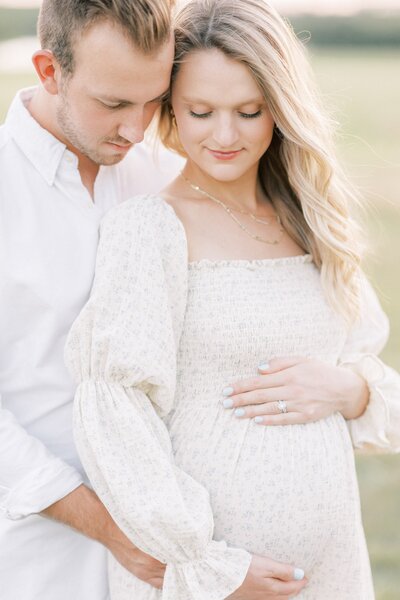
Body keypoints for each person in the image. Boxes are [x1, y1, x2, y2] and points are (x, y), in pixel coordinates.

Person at [65, 0, 400, 598]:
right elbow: (116, 413)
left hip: (332, 570)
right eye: (201, 112)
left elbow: (368, 366)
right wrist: (206, 564)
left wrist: (354, 391)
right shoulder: (149, 228)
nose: (224, 135)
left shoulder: (313, 223)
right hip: (212, 578)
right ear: (170, 111)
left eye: (249, 112)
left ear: (282, 108)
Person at [0, 1, 183, 598]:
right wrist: (108, 529)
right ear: (50, 71)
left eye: (154, 100)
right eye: (113, 104)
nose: (136, 129)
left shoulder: (164, 177)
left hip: (170, 554)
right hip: (38, 561)